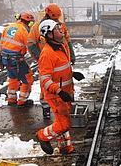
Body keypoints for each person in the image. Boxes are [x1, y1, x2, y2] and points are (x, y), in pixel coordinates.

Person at [35, 19, 85, 155]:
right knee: (63, 124)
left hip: (64, 92)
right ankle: (42, 136)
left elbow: (60, 68)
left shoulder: (60, 46)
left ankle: (65, 148)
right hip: (56, 95)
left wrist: (72, 74)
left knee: (62, 120)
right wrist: (59, 91)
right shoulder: (47, 53)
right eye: (57, 29)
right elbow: (45, 79)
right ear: (49, 34)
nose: (60, 30)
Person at [27, 3, 75, 119]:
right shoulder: (38, 27)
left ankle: (68, 105)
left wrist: (72, 56)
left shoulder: (60, 26)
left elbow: (67, 41)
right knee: (46, 86)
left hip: (61, 61)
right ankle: (46, 109)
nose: (56, 21)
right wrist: (41, 58)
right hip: (47, 62)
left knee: (66, 83)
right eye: (54, 18)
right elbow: (31, 44)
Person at [0, 12, 35, 107]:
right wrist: (38, 57)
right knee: (28, 78)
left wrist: (0, 59)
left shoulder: (8, 27)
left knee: (13, 78)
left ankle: (11, 98)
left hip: (6, 58)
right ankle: (22, 101)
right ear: (27, 22)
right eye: (30, 23)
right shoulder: (24, 31)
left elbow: (0, 44)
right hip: (17, 59)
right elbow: (30, 46)